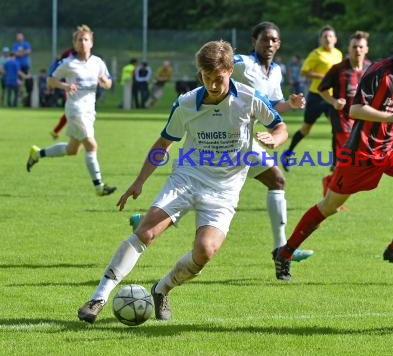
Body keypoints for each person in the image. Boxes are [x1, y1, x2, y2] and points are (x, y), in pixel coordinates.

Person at [77, 40, 288, 324]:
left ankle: (162, 288)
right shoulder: (187, 103)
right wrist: (139, 181)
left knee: (205, 251)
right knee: (146, 231)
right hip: (188, 178)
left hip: (225, 190)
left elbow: (280, 126)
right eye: (207, 78)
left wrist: (274, 139)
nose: (213, 85)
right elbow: (163, 143)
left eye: (219, 79)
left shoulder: (249, 98)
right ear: (200, 74)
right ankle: (98, 298)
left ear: (229, 71)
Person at [129, 22, 314, 271]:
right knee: (208, 182)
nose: (269, 44)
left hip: (244, 139)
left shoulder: (277, 71)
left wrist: (289, 105)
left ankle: (281, 250)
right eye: (264, 39)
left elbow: (271, 107)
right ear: (254, 41)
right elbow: (214, 62)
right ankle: (153, 220)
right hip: (219, 135)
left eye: (273, 40)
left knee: (276, 181)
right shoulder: (242, 63)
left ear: (279, 44)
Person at [272, 23, 393, 281]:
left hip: (390, 147)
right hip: (360, 152)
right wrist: (389, 116)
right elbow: (355, 110)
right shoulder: (378, 71)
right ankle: (285, 252)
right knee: (329, 205)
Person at [26, 25, 116, 197]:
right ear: (74, 44)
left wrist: (105, 81)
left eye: (86, 39)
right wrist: (65, 85)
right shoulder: (68, 63)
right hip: (75, 110)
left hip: (89, 111)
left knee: (72, 149)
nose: (83, 42)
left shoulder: (98, 62)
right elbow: (50, 81)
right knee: (91, 144)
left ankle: (37, 154)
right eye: (79, 40)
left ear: (91, 43)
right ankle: (99, 186)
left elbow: (109, 83)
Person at [282, 25, 343, 171]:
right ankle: (288, 153)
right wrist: (324, 77)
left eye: (330, 36)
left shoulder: (338, 54)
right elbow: (304, 71)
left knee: (336, 128)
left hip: (331, 97)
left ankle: (335, 164)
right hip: (316, 96)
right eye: (325, 36)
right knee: (306, 129)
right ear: (320, 39)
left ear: (335, 39)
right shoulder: (316, 54)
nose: (328, 38)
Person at [318, 30, 371, 196]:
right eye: (354, 46)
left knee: (353, 161)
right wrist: (334, 102)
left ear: (366, 49)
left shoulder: (371, 69)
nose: (358, 50)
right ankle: (333, 193)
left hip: (362, 121)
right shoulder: (338, 69)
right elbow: (322, 89)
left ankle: (330, 182)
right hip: (342, 120)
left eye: (361, 47)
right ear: (349, 48)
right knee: (347, 159)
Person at [47, 48, 75, 139]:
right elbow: (52, 75)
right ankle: (58, 131)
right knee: (71, 111)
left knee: (69, 112)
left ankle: (56, 131)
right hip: (68, 87)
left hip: (74, 89)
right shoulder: (68, 56)